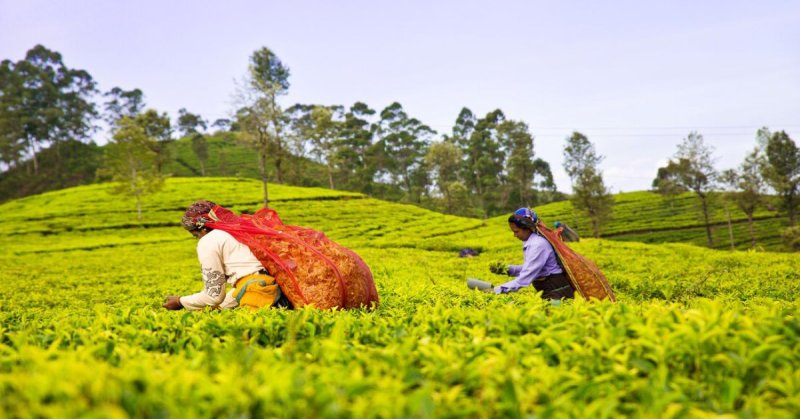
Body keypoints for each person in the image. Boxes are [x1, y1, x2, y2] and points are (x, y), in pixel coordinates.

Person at [162, 200, 292, 311]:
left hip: (258, 294)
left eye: (196, 235)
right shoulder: (238, 231)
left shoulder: (208, 240)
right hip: (280, 289)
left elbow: (213, 296)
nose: (198, 239)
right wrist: (220, 307)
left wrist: (180, 302)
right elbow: (243, 286)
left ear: (203, 229)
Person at [490, 208, 575, 299]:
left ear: (527, 228)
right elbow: (531, 267)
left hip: (556, 290)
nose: (515, 235)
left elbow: (524, 279)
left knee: (555, 312)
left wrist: (495, 290)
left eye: (516, 231)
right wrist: (508, 269)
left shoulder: (538, 245)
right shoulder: (531, 242)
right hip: (549, 288)